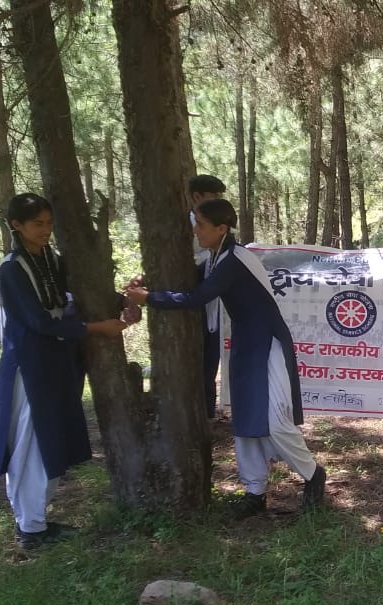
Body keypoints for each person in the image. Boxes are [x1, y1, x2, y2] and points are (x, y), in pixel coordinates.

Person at [126, 198, 327, 517]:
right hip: (247, 344)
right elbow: (188, 280)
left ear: (221, 229)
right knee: (246, 420)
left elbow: (197, 297)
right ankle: (254, 491)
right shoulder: (215, 257)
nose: (195, 230)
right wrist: (146, 284)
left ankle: (313, 474)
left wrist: (149, 299)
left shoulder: (235, 259)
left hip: (268, 342)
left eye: (201, 225)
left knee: (275, 421)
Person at [0, 193, 130, 549]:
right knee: (30, 442)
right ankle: (30, 527)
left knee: (50, 438)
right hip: (30, 363)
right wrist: (96, 328)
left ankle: (36, 520)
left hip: (56, 359)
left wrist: (124, 302)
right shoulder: (11, 269)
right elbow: (38, 321)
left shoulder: (51, 260)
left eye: (49, 223)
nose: (45, 231)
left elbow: (77, 296)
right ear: (16, 225)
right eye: (38, 224)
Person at [188, 174, 228, 418]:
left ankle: (207, 413)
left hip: (214, 302)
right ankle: (199, 412)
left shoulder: (216, 225)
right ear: (197, 197)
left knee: (211, 358)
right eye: (213, 197)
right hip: (195, 298)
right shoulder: (187, 226)